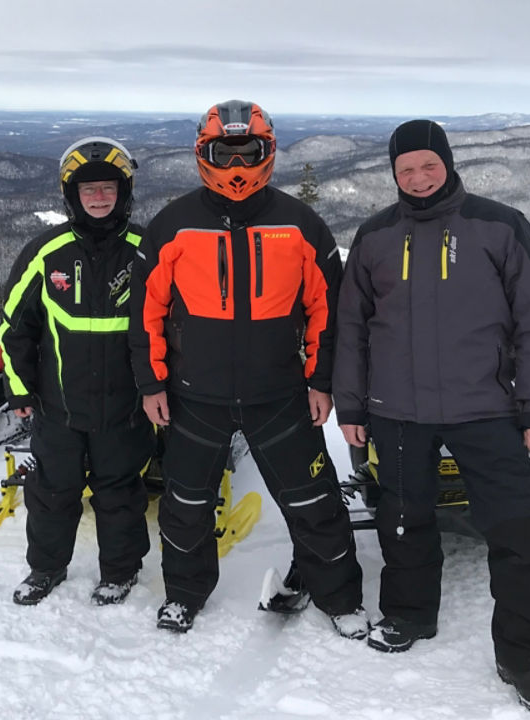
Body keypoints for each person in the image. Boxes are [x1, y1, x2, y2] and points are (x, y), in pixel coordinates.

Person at [334, 119, 530, 717]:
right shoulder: (377, 234)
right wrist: (352, 404)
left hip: (484, 408)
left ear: (448, 164)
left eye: (427, 166)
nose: (416, 178)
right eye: (404, 169)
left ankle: (526, 655)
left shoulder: (498, 224)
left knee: (520, 531)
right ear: (393, 174)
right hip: (397, 412)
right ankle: (410, 614)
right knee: (404, 522)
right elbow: (353, 328)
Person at [129, 99, 366, 636]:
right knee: (185, 505)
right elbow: (146, 313)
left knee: (315, 501)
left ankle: (341, 598)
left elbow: (326, 313)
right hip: (194, 396)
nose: (236, 166)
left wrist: (320, 381)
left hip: (280, 394)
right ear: (203, 154)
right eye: (224, 153)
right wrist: (151, 383)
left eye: (248, 152)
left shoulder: (301, 224)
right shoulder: (173, 225)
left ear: (268, 152)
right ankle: (184, 595)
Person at [0, 137, 154, 607]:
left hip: (126, 407)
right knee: (51, 492)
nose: (99, 197)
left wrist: (163, 388)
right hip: (58, 406)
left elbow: (175, 324)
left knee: (121, 494)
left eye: (108, 188)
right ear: (72, 196)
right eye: (89, 190)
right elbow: (14, 327)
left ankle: (120, 572)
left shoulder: (147, 251)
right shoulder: (47, 253)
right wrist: (19, 387)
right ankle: (46, 569)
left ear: (123, 193)